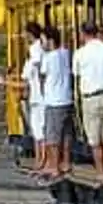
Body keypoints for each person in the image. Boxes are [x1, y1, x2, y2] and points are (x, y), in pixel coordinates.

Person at [72, 21, 103, 188]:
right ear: (97, 32)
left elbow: (76, 74)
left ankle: (100, 174)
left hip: (91, 99)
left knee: (95, 141)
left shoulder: (79, 53)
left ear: (83, 34)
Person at [38, 26, 74, 178]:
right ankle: (65, 162)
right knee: (66, 134)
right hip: (66, 98)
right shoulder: (66, 53)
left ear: (50, 41)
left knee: (52, 136)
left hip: (53, 101)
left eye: (43, 40)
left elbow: (43, 76)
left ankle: (54, 166)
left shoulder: (48, 57)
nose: (42, 44)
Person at [20, 21, 46, 172]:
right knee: (37, 130)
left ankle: (41, 160)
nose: (23, 36)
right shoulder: (35, 50)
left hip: (38, 96)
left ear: (30, 34)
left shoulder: (36, 49)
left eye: (25, 33)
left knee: (40, 130)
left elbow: (37, 71)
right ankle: (39, 159)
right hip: (35, 97)